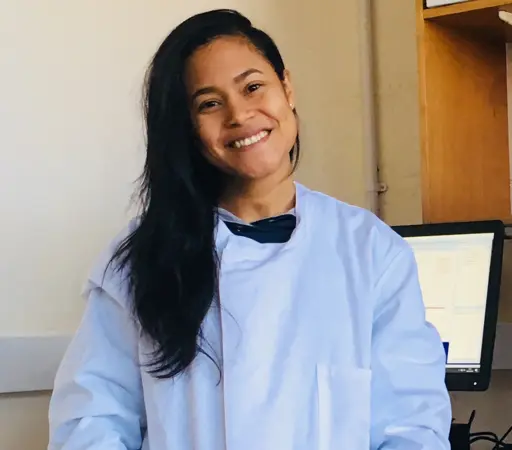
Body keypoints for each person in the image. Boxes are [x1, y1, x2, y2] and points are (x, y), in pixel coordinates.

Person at [47, 9, 451, 450]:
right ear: (188, 128)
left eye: (253, 87)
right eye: (209, 103)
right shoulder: (139, 261)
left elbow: (411, 428)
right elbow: (91, 423)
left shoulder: (371, 252)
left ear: (287, 88)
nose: (239, 114)